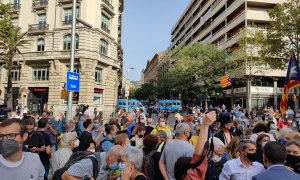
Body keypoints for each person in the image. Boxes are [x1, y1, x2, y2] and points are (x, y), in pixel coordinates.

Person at [174, 110, 217, 180]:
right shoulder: (189, 146)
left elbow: (161, 163)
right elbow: (198, 160)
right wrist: (205, 125)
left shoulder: (169, 144)